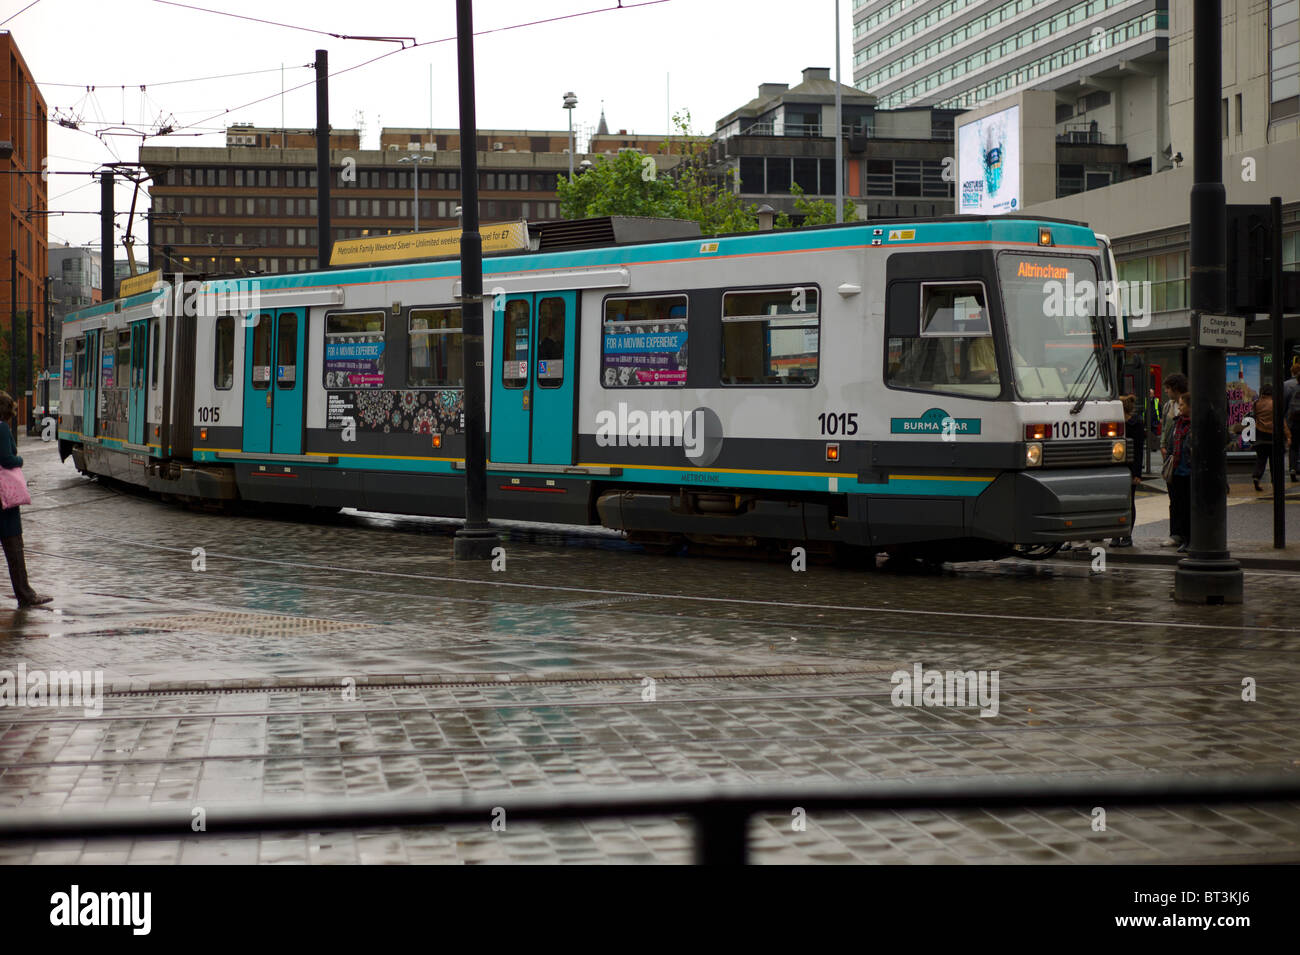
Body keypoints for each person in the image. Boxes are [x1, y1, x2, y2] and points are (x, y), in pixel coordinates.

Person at [0, 391, 50, 607]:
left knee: (14, 547)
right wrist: (19, 460)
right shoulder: (1, 427)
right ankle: (26, 595)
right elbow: (6, 458)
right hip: (4, 498)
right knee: (14, 547)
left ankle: (26, 593)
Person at [1159, 373, 1188, 547]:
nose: (1166, 392)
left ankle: (1184, 534)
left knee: (1183, 498)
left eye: (1168, 388)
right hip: (1170, 454)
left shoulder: (1187, 402)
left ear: (1175, 388)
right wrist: (1163, 445)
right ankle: (1175, 533)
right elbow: (1164, 427)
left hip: (1183, 457)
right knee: (1174, 498)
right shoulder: (1168, 406)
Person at [1112, 394, 1144, 547]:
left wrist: (1137, 473)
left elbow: (1138, 450)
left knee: (1129, 502)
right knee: (1116, 502)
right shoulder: (1115, 423)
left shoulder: (1135, 424)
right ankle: (1116, 535)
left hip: (1129, 467)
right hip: (1116, 467)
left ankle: (1126, 535)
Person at [1168, 392, 1193, 553]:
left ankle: (1190, 539)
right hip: (1177, 471)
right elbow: (1172, 443)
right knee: (1180, 507)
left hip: (1190, 471)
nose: (1179, 407)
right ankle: (1184, 538)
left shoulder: (1196, 424)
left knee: (1189, 508)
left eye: (1182, 404)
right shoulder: (1178, 422)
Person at [1251, 383, 1276, 492]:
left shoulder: (1257, 403)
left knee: (1261, 459)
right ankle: (1275, 482)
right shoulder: (1274, 403)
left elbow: (1255, 417)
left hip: (1260, 434)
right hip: (1272, 435)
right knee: (1274, 460)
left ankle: (1257, 476)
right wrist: (1288, 435)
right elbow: (1280, 420)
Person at [1284, 364, 1300, 482]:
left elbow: (1283, 404)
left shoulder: (1286, 385)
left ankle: (1292, 468)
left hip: (1292, 421)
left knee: (1293, 446)